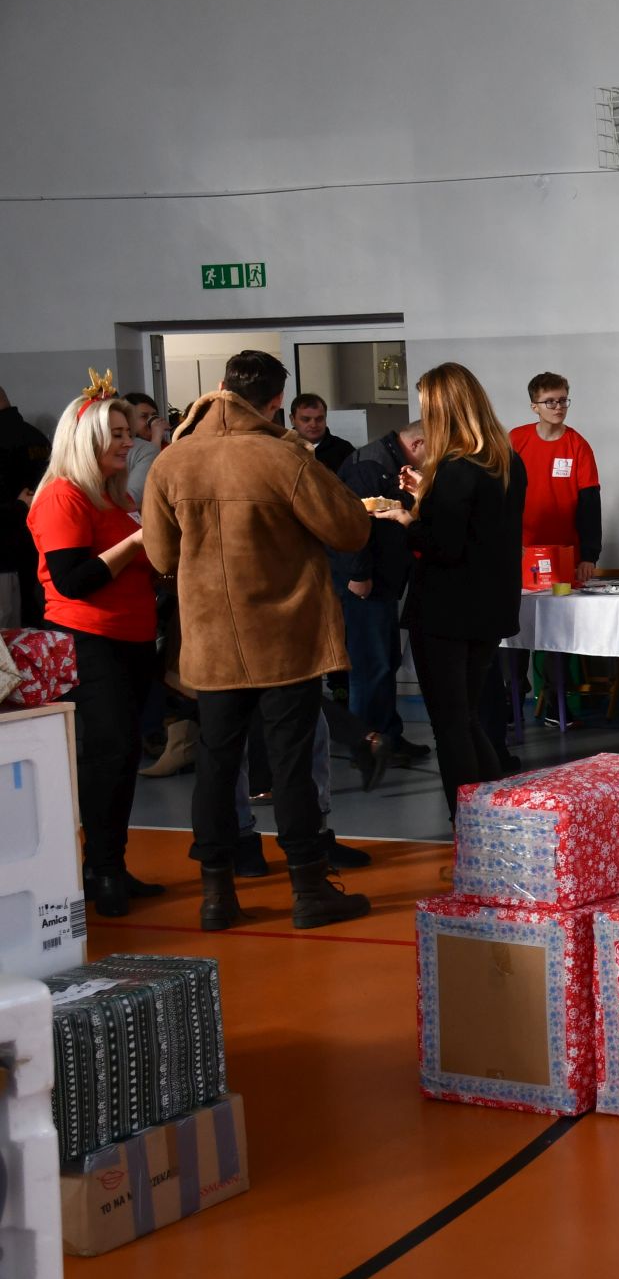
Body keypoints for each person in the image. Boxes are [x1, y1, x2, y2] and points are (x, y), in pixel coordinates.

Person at [141, 349, 373, 931]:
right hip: (283, 637)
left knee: (217, 764)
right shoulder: (281, 456)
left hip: (211, 640)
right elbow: (350, 529)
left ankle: (217, 897)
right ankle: (309, 891)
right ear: (276, 402)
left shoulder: (173, 460)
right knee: (292, 765)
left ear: (220, 388)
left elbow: (160, 556)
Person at [27, 373, 163, 916]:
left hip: (133, 636)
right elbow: (73, 581)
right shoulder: (62, 495)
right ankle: (101, 870)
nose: (129, 442)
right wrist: (139, 540)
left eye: (129, 433)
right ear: (86, 439)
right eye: (118, 434)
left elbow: (135, 565)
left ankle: (112, 864)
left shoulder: (116, 495)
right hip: (90, 638)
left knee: (124, 753)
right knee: (110, 753)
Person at [382, 364, 527, 817]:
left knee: (450, 725)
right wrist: (427, 493)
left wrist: (407, 517)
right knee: (466, 718)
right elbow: (481, 526)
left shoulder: (454, 467)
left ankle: (466, 823)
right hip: (490, 606)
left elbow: (443, 546)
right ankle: (490, 818)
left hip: (446, 610)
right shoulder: (507, 461)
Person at [336, 420, 432, 773]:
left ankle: (389, 735)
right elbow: (353, 524)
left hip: (385, 580)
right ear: (417, 443)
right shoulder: (369, 464)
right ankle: (364, 745)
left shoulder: (394, 465)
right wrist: (359, 574)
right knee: (369, 665)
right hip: (366, 582)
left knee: (385, 661)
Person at [510, 372, 601, 584]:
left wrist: (589, 556)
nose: (558, 407)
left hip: (566, 553)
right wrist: (509, 542)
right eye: (550, 402)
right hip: (522, 550)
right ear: (535, 407)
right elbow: (501, 496)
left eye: (562, 400)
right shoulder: (515, 440)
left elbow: (590, 504)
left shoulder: (578, 446)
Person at [0, 384, 53, 627]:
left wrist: (19, 507)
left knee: (8, 633)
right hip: (39, 546)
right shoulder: (37, 436)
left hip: (6, 552)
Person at [289, 393, 354, 473]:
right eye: (306, 419)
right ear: (292, 419)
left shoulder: (344, 450)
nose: (313, 425)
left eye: (319, 419)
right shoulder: (282, 448)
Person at [121, 393, 164, 501]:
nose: (152, 421)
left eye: (154, 416)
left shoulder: (167, 447)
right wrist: (156, 438)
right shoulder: (124, 449)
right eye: (144, 416)